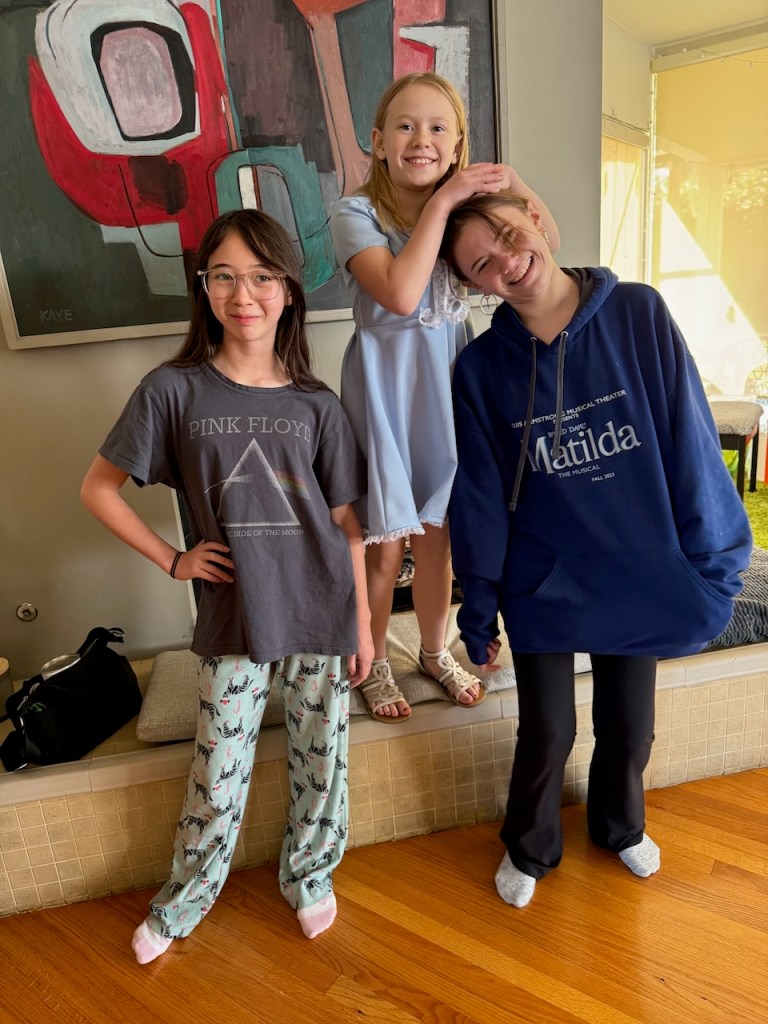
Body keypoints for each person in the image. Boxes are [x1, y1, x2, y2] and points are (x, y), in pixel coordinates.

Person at [441, 191, 752, 907]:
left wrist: (713, 551)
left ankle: (620, 826)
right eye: (482, 265)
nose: (506, 262)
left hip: (637, 564)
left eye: (508, 236)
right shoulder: (481, 368)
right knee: (548, 729)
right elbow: (480, 494)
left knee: (630, 726)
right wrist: (479, 602)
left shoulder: (638, 312)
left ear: (536, 220)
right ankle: (529, 845)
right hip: (542, 576)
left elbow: (689, 436)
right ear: (474, 286)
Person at [81, 209, 373, 961]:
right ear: (204, 288)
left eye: (263, 277)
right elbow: (98, 489)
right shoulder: (172, 391)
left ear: (288, 290)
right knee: (217, 775)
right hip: (232, 618)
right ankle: (185, 899)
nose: (245, 295)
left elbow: (346, 526)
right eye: (225, 277)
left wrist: (365, 626)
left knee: (322, 761)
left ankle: (310, 874)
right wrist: (173, 558)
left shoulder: (318, 405)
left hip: (321, 612)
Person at [329, 72, 560, 723]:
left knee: (440, 540)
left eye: (438, 128)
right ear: (379, 141)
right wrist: (448, 197)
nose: (421, 139)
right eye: (405, 126)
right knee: (386, 547)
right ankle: (374, 660)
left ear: (457, 145)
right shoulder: (355, 214)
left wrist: (512, 180)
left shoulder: (466, 217)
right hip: (384, 396)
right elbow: (401, 294)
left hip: (451, 391)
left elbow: (546, 245)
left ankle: (434, 651)